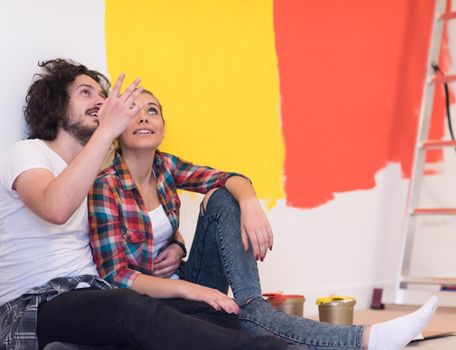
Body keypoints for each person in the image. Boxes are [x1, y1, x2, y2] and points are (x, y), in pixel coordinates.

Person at [88, 89, 440, 350]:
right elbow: (117, 276)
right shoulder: (105, 185)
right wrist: (192, 288)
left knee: (224, 196)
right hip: (150, 305)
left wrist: (251, 204)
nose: (145, 118)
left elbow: (228, 177)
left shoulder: (166, 167)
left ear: (164, 126)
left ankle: (252, 304)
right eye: (133, 112)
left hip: (188, 282)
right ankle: (364, 339)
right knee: (247, 322)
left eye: (152, 111)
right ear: (117, 127)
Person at [0, 58, 303, 350]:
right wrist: (107, 131)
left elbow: (134, 227)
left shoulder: (95, 169)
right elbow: (55, 208)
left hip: (95, 295)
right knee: (129, 307)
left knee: (214, 316)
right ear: (56, 105)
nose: (101, 102)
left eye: (103, 95)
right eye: (86, 92)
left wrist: (178, 243)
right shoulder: (28, 152)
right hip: (37, 304)